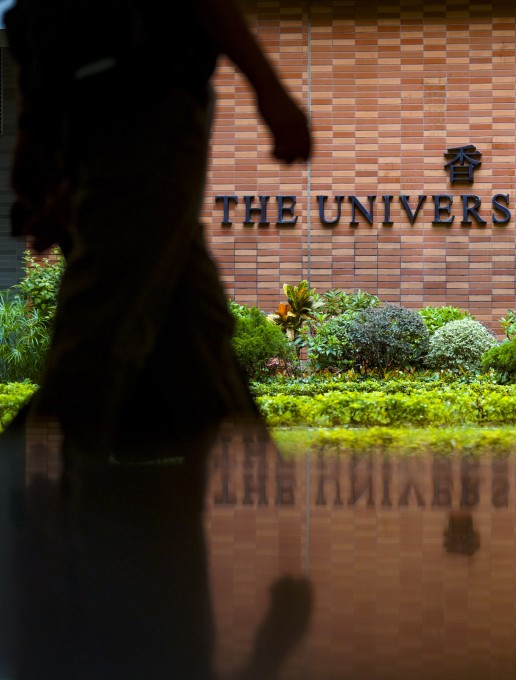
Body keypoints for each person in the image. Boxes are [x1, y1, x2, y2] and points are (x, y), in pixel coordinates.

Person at [1, 1, 313, 677]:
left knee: (192, 334)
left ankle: (271, 530)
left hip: (105, 119)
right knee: (102, 333)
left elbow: (36, 67)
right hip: (143, 111)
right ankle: (26, 510)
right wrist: (271, 94)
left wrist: (49, 172)